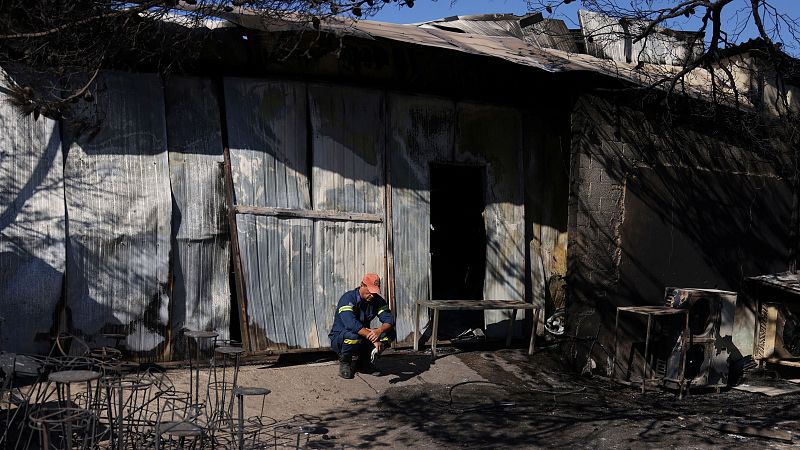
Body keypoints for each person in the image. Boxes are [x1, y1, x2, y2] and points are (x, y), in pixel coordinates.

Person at [328, 273, 396, 379]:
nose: (372, 295)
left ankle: (364, 363)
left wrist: (379, 331)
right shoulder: (348, 298)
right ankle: (345, 362)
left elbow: (389, 320)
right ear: (362, 285)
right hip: (342, 338)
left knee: (390, 332)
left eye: (375, 292)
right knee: (353, 336)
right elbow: (351, 324)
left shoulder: (377, 300)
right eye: (370, 291)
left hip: (363, 336)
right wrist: (373, 338)